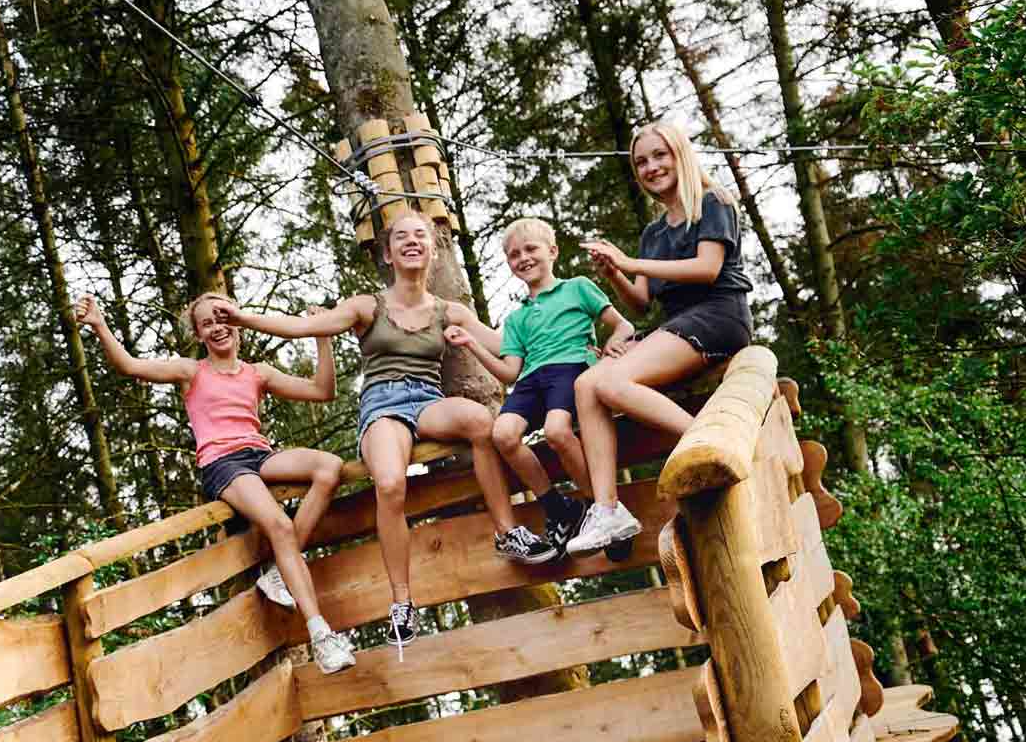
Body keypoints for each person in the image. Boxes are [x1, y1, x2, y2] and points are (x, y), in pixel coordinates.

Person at [234, 210, 554, 654]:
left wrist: (572, 326)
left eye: (420, 235)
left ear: (431, 247)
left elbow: (509, 344)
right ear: (388, 253)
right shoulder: (368, 305)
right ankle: (402, 601)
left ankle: (507, 532)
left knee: (482, 421)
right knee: (389, 482)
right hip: (382, 403)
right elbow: (304, 326)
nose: (412, 241)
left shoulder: (449, 310)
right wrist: (241, 318)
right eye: (401, 237)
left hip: (428, 399)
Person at [74, 291, 357, 673]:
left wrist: (321, 337)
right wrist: (99, 324)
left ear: (238, 322)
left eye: (223, 317)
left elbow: (323, 391)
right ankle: (321, 635)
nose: (217, 327)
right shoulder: (192, 372)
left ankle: (278, 572)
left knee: (330, 467)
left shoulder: (258, 373)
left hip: (259, 455)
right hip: (222, 463)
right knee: (278, 525)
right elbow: (129, 365)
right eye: (207, 323)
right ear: (199, 334)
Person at [564, 121, 756, 554]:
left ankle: (707, 445)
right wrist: (616, 273)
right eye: (641, 162)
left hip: (718, 314)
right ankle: (607, 509)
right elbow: (641, 303)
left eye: (659, 155)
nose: (651, 167)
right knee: (586, 385)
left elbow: (707, 268)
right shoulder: (654, 233)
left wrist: (630, 261)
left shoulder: (713, 201)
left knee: (613, 382)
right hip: (675, 324)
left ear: (680, 155)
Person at [444, 217, 633, 556]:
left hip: (569, 367)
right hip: (531, 380)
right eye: (514, 255)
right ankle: (557, 506)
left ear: (552, 251)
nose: (523, 258)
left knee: (557, 431)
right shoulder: (517, 319)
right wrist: (472, 343)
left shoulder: (577, 287)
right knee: (502, 434)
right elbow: (509, 373)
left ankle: (604, 511)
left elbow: (622, 325)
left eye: (531, 249)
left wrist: (616, 343)